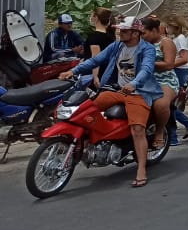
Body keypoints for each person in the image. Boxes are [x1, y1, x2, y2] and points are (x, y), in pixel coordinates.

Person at [59, 17, 163, 188]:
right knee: (86, 110)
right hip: (118, 90)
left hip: (139, 92)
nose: (119, 33)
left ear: (135, 33)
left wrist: (134, 84)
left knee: (137, 129)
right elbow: (96, 60)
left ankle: (141, 169)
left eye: (124, 31)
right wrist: (73, 71)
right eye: (119, 30)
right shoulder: (117, 45)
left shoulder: (147, 49)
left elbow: (146, 69)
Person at [141, 17, 179, 150]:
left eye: (144, 33)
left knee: (161, 104)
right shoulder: (141, 44)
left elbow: (169, 64)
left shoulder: (165, 42)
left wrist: (148, 64)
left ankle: (159, 131)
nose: (142, 36)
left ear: (154, 30)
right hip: (144, 80)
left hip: (165, 80)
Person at [162, 14, 188, 143]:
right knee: (169, 105)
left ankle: (173, 136)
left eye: (168, 26)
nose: (167, 28)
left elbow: (184, 58)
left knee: (168, 105)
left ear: (175, 27)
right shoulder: (180, 38)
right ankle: (186, 126)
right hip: (179, 71)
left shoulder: (181, 39)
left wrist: (168, 64)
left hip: (179, 72)